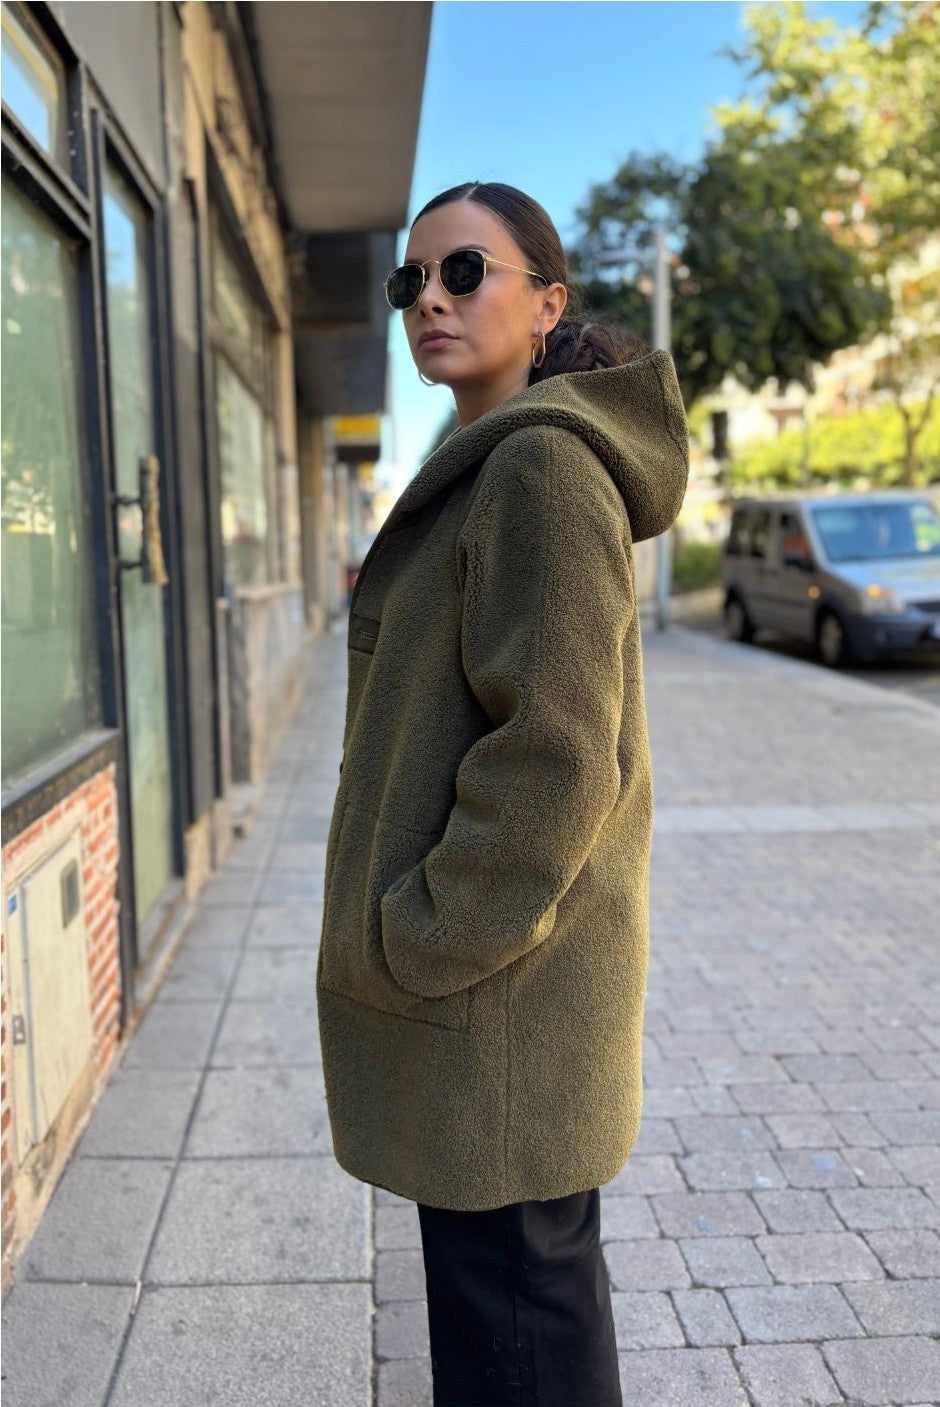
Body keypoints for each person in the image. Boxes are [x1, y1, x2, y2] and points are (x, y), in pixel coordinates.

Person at [316, 180, 690, 1406]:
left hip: (502, 1001)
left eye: (465, 272)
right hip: (494, 999)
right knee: (512, 1322)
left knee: (520, 1331)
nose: (429, 297)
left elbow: (557, 754)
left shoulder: (537, 469)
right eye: (410, 280)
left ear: (546, 304)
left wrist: (427, 933)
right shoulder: (487, 465)